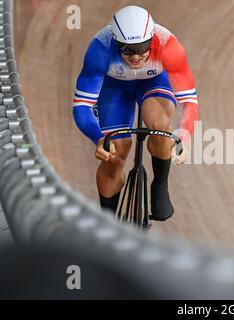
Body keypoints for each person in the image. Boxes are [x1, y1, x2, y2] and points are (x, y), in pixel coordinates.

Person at [72, 5, 199, 221]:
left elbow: (189, 101)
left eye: (142, 47)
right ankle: (108, 222)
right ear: (115, 41)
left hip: (154, 82)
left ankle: (160, 184)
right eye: (128, 49)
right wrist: (99, 138)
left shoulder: (169, 46)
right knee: (114, 154)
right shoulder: (100, 49)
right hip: (115, 87)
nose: (136, 56)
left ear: (152, 39)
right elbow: (82, 105)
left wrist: (185, 136)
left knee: (159, 125)